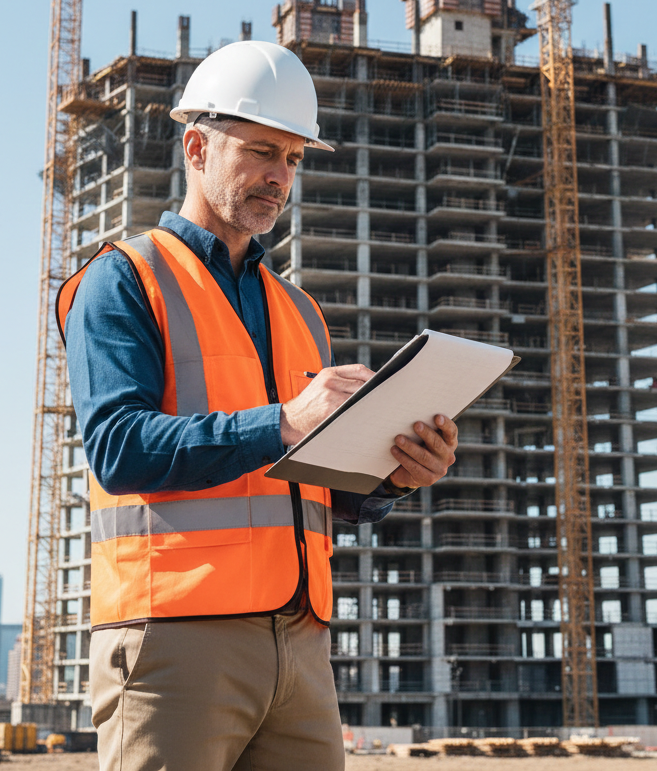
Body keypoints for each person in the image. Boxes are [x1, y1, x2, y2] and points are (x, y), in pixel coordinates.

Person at [58, 41, 459, 771]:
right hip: (174, 633)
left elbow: (307, 485)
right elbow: (118, 448)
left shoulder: (299, 311)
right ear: (197, 146)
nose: (280, 176)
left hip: (301, 639)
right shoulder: (121, 280)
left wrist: (391, 477)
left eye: (294, 160)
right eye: (262, 151)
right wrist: (284, 420)